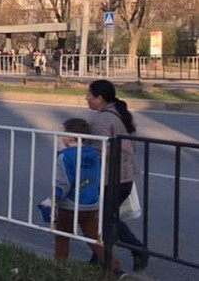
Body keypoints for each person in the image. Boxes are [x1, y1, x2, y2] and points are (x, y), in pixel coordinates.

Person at [86, 79, 149, 272]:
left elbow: (99, 152)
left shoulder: (101, 120)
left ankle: (137, 250)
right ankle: (98, 258)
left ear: (100, 98)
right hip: (125, 177)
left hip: (110, 179)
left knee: (105, 220)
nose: (86, 99)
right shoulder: (120, 112)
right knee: (106, 218)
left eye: (89, 95)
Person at [49, 118, 122, 274]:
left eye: (64, 132)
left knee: (62, 236)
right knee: (95, 240)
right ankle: (115, 269)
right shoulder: (95, 155)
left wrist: (53, 200)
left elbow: (64, 183)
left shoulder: (65, 156)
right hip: (91, 204)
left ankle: (59, 268)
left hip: (69, 205)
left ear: (70, 136)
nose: (62, 136)